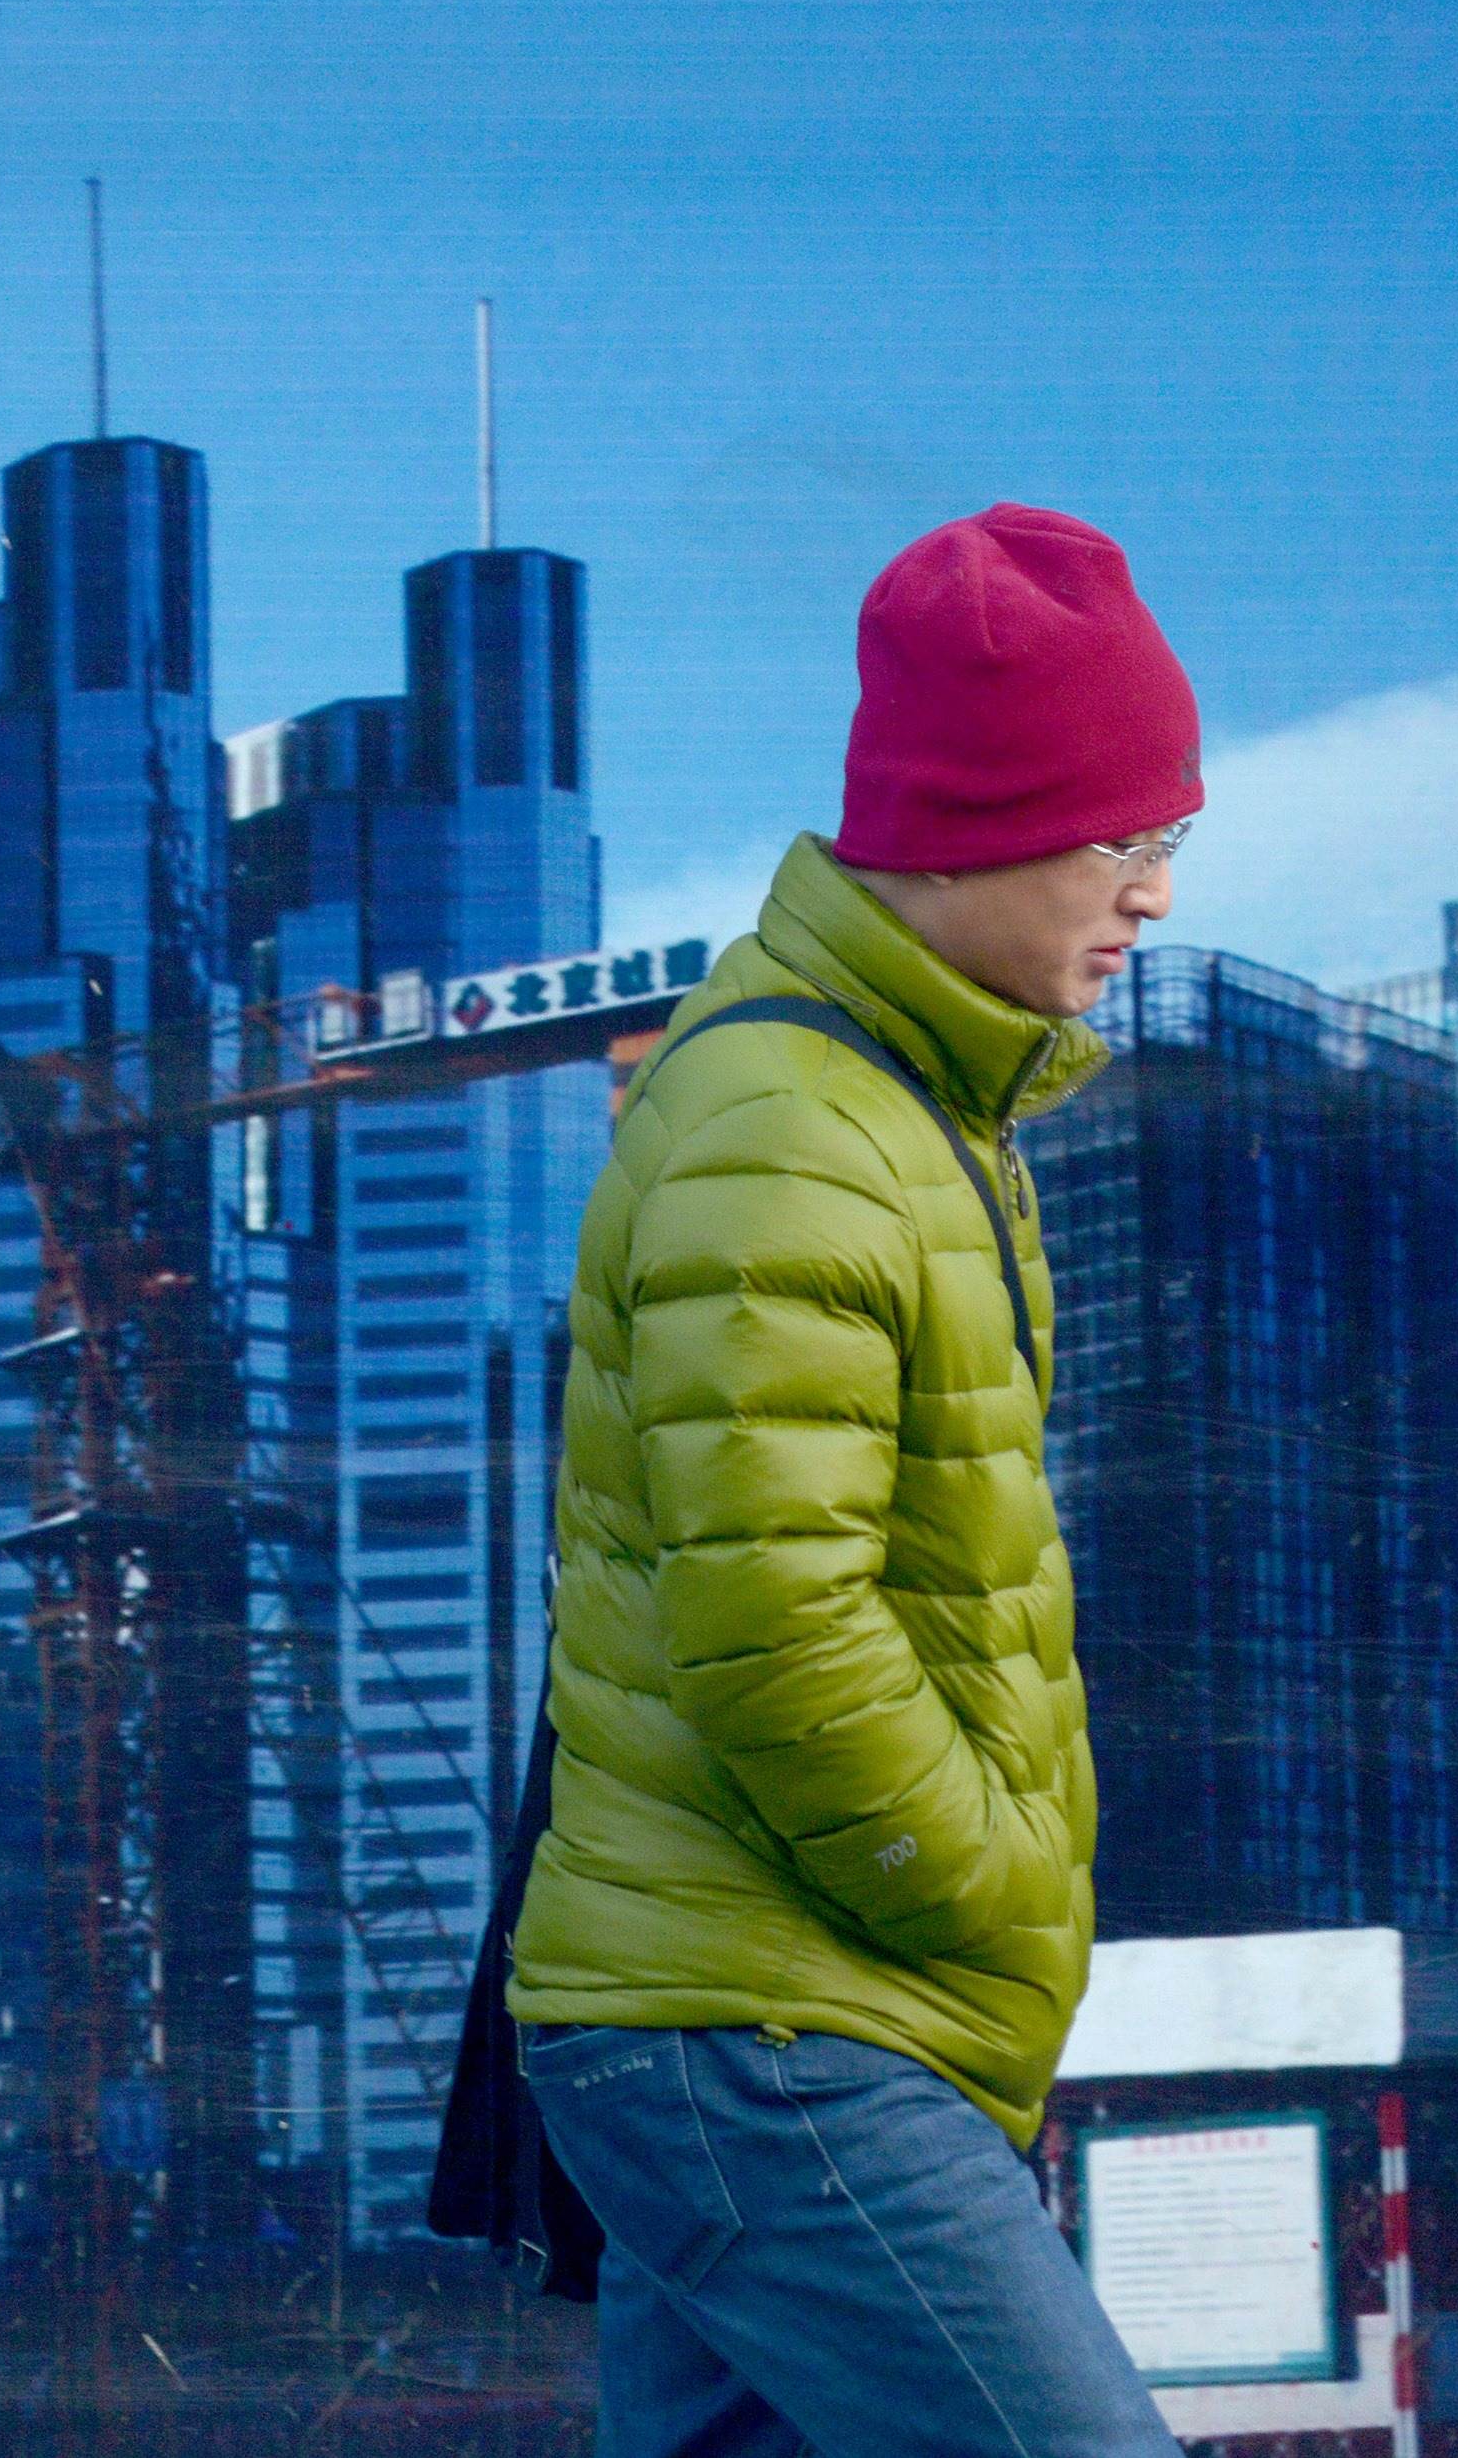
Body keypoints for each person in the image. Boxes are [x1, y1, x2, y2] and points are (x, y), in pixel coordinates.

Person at [507, 502, 1201, 2457]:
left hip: (737, 2009)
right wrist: (987, 1888)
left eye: (1170, 839)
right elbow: (772, 1619)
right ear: (977, 824)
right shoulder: (791, 1128)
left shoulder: (896, 1114)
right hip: (772, 2029)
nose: (1151, 893)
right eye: (1121, 837)